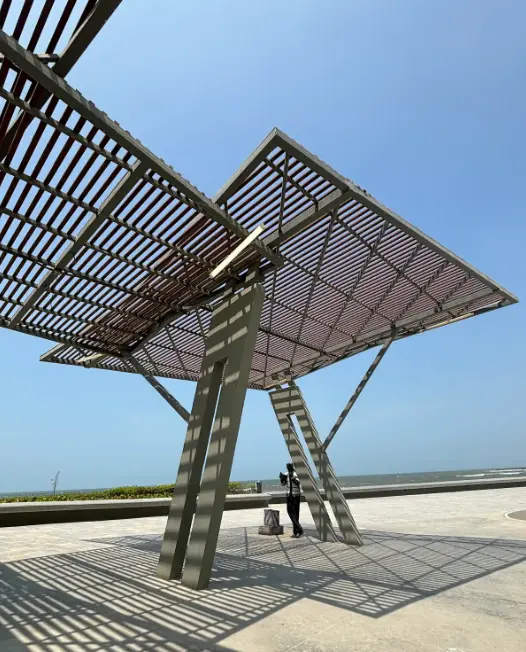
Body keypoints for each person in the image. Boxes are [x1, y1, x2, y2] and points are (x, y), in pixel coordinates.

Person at [280, 462, 303, 538]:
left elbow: (299, 483)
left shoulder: (296, 474)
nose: (288, 468)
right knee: (289, 511)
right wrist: (282, 479)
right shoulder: (286, 474)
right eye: (287, 466)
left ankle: (296, 532)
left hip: (296, 495)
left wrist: (294, 479)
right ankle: (299, 528)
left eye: (289, 466)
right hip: (289, 495)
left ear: (292, 466)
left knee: (296, 513)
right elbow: (283, 484)